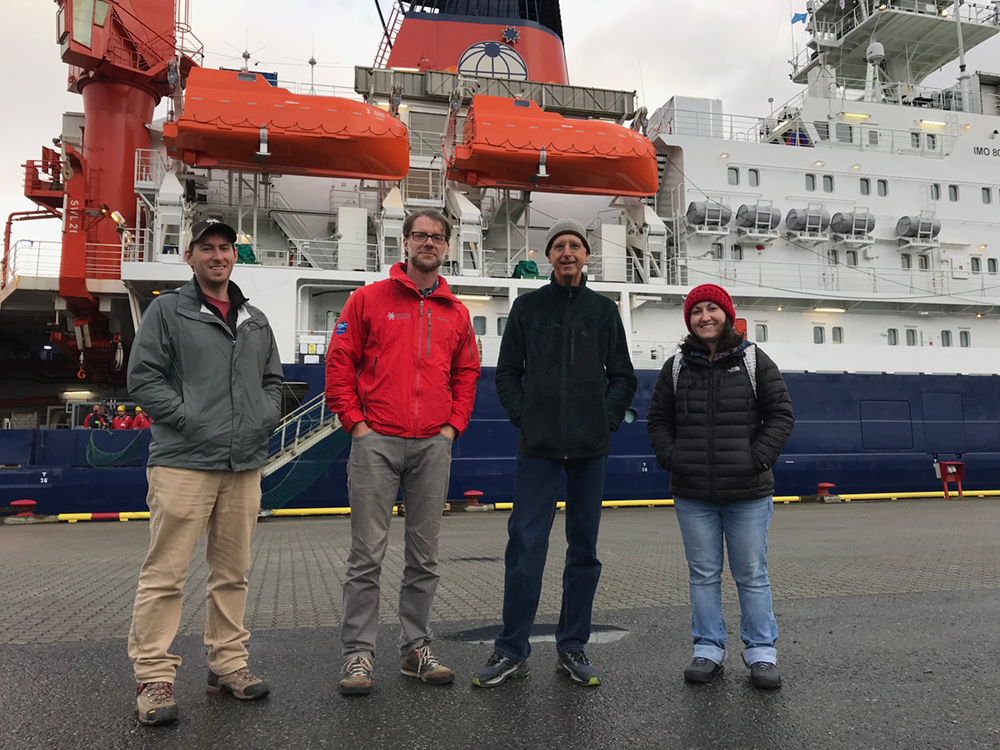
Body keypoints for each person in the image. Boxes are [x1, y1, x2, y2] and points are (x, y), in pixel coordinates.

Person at [126, 219, 284, 726]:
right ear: (190, 257)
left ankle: (228, 663)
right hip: (183, 461)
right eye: (207, 248)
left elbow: (274, 382)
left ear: (234, 257)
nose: (218, 256)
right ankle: (154, 676)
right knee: (166, 574)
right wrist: (190, 418)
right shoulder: (168, 311)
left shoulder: (255, 320)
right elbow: (143, 377)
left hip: (243, 464)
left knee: (232, 573)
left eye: (225, 248)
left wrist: (261, 418)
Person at [473, 218, 637, 689]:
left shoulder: (604, 312)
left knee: (583, 551)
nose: (567, 252)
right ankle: (511, 650)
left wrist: (602, 419)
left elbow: (623, 376)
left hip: (591, 447)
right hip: (538, 447)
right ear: (549, 257)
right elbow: (507, 374)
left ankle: (572, 647)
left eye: (575, 245)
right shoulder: (527, 309)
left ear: (587, 256)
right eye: (559, 246)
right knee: (525, 546)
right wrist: (528, 418)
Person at [326, 208, 480, 696]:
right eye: (420, 235)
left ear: (447, 246)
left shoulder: (457, 312)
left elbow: (467, 372)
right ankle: (358, 655)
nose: (428, 243)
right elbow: (340, 360)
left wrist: (453, 427)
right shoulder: (368, 300)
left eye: (437, 237)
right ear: (406, 242)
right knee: (366, 556)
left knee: (424, 556)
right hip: (377, 441)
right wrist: (356, 423)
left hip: (433, 442)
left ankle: (416, 648)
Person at [646, 284, 794, 689]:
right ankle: (708, 649)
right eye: (697, 311)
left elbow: (781, 414)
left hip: (748, 491)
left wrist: (756, 458)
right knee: (703, 574)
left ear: (727, 315)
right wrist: (673, 458)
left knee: (751, 573)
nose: (705, 317)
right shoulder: (676, 366)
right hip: (693, 493)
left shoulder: (753, 361)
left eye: (712, 309)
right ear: (689, 320)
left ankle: (762, 653)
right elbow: (657, 420)